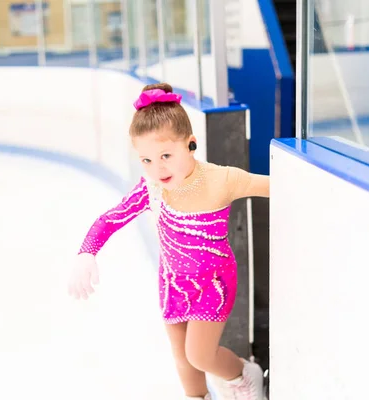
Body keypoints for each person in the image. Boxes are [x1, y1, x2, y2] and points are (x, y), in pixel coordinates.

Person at [68, 83, 270, 400]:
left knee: (200, 356)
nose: (157, 168)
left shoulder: (220, 180)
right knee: (182, 358)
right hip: (173, 282)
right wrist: (86, 252)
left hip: (213, 282)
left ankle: (244, 375)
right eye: (146, 159)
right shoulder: (152, 188)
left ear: (190, 144)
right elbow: (111, 218)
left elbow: (276, 185)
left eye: (165, 155)